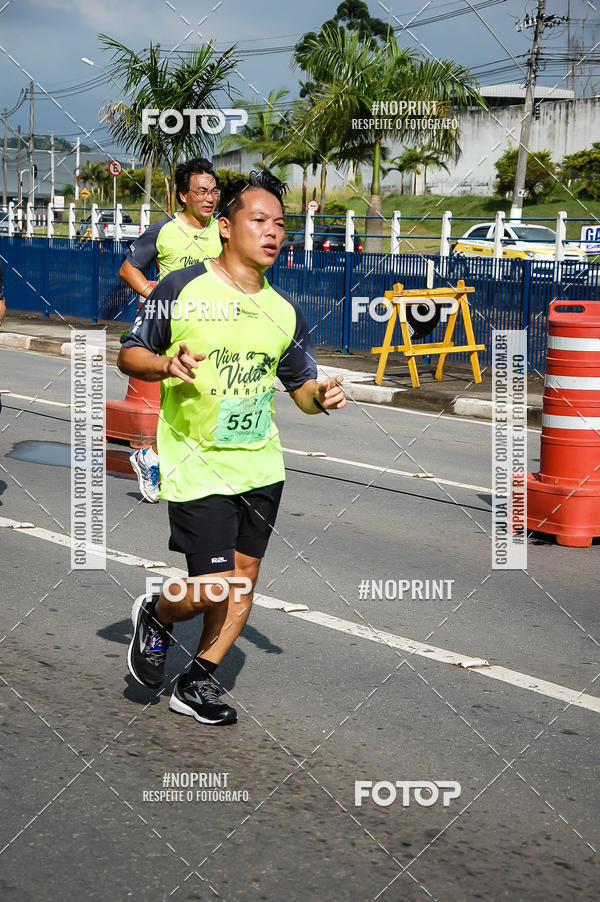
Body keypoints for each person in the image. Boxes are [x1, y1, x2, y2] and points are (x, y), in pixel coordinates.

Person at [117, 171, 346, 726]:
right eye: (258, 220)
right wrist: (166, 363)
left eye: (280, 224)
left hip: (260, 464)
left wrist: (324, 395)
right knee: (212, 585)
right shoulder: (183, 289)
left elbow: (301, 393)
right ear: (226, 227)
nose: (272, 232)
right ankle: (156, 610)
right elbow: (129, 353)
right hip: (198, 464)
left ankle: (196, 683)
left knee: (242, 582)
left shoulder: (284, 311)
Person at [119, 157, 222, 502]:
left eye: (213, 191)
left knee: (208, 401)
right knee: (191, 399)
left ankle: (156, 458)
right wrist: (156, 296)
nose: (209, 198)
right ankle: (159, 461)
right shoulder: (163, 231)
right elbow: (128, 269)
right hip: (175, 333)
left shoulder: (222, 230)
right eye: (201, 191)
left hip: (216, 327)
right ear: (183, 195)